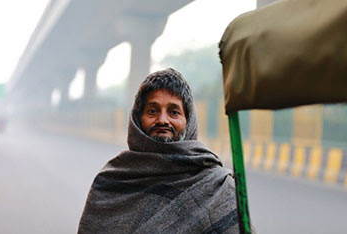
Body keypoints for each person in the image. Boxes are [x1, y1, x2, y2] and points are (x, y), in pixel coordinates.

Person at [78, 68, 239, 233]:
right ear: (138, 120)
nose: (162, 120)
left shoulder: (217, 187)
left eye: (174, 112)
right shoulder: (110, 182)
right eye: (152, 111)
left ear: (188, 120)